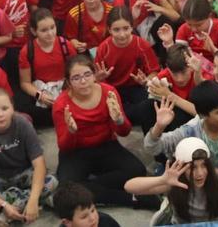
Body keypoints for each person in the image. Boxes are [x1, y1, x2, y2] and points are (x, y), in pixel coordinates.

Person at [53, 54, 157, 209]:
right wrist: (71, 131)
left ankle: (88, 187)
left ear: (94, 75)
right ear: (68, 82)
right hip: (76, 152)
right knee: (65, 189)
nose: (83, 81)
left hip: (106, 145)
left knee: (137, 170)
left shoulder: (109, 92)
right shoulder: (61, 104)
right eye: (76, 78)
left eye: (87, 75)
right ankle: (130, 198)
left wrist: (119, 120)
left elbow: (124, 132)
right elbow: (64, 145)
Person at [124, 137, 218, 223]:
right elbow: (129, 186)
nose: (200, 173)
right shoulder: (175, 183)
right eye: (193, 167)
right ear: (181, 166)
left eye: (204, 166)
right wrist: (162, 180)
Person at [0, 88, 55, 222]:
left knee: (51, 182)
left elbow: (39, 164)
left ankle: (16, 206)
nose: (1, 114)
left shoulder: (22, 124)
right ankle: (18, 205)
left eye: (5, 108)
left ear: (12, 109)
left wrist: (33, 199)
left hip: (23, 173)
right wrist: (3, 205)